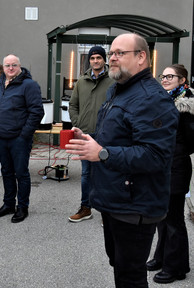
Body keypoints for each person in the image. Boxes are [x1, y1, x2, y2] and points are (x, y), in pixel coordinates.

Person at [66, 33, 179, 287]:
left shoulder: (151, 99)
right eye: (111, 52)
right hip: (115, 200)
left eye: (119, 53)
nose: (112, 58)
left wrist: (102, 153)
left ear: (141, 57)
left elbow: (156, 155)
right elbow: (119, 137)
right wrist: (91, 140)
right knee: (120, 267)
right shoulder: (118, 90)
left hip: (135, 206)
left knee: (130, 276)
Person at [145, 64, 193, 284]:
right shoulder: (164, 102)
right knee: (161, 217)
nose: (164, 79)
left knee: (174, 219)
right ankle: (162, 257)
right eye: (162, 76)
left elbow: (190, 141)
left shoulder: (186, 106)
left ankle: (176, 267)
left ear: (182, 80)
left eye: (170, 76)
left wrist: (174, 151)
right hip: (162, 166)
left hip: (177, 167)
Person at [0, 54, 44, 223]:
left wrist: (24, 135)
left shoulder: (29, 85)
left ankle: (22, 207)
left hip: (19, 139)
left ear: (20, 67)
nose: (10, 68)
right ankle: (8, 204)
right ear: (3, 68)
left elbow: (37, 112)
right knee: (6, 172)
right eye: (7, 65)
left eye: (14, 65)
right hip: (2, 136)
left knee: (21, 173)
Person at [68, 46, 115, 222]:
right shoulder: (81, 82)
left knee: (106, 173)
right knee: (86, 174)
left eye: (99, 58)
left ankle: (107, 213)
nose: (96, 61)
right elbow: (73, 105)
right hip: (86, 135)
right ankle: (85, 208)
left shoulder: (113, 81)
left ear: (104, 60)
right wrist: (77, 123)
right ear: (89, 60)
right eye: (93, 58)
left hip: (107, 135)